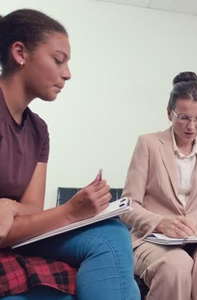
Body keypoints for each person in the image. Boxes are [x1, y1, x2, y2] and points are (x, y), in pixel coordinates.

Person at [0, 9, 140, 300]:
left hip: (16, 230)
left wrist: (9, 207)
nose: (67, 73)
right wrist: (70, 211)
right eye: (58, 60)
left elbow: (32, 209)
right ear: (20, 53)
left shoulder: (38, 130)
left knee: (113, 234)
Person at [120, 71, 197, 300]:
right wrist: (161, 223)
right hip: (152, 240)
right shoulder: (148, 144)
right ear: (169, 113)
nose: (191, 126)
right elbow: (129, 205)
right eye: (183, 117)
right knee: (176, 264)